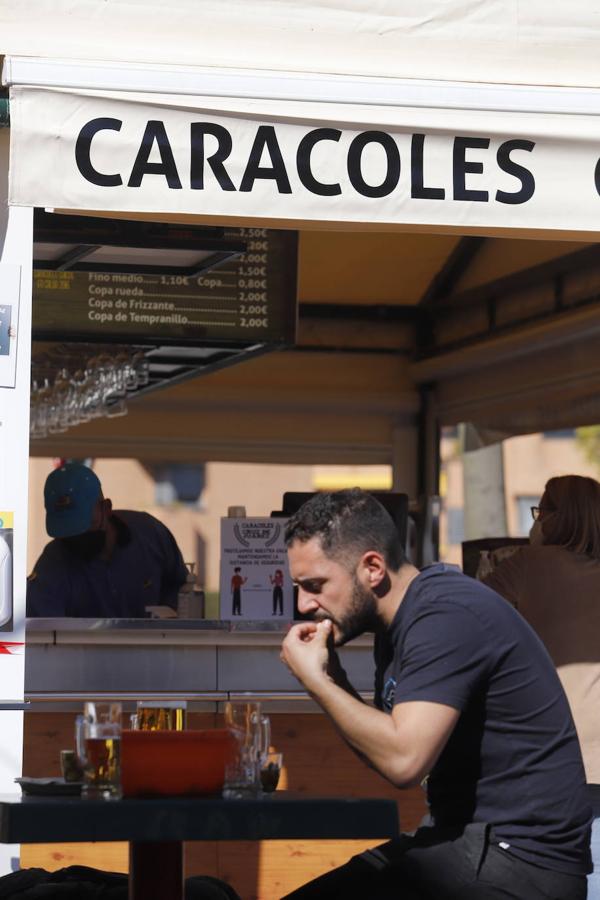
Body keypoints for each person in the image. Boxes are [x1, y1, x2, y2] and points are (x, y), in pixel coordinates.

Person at [279, 488, 592, 900]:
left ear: (372, 567)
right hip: (468, 844)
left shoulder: (444, 614)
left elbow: (403, 761)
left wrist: (317, 683)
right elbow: (385, 752)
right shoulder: (396, 626)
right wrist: (332, 676)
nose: (304, 604)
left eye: (315, 585)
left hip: (521, 862)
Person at [483, 473, 600, 898]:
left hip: (553, 747)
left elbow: (467, 613)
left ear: (553, 518)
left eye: (540, 512)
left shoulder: (528, 565)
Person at [27, 462, 188, 617]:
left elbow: (184, 589)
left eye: (83, 525)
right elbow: (40, 626)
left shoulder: (150, 535)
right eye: (66, 530)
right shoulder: (54, 561)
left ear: (106, 508)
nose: (75, 537)